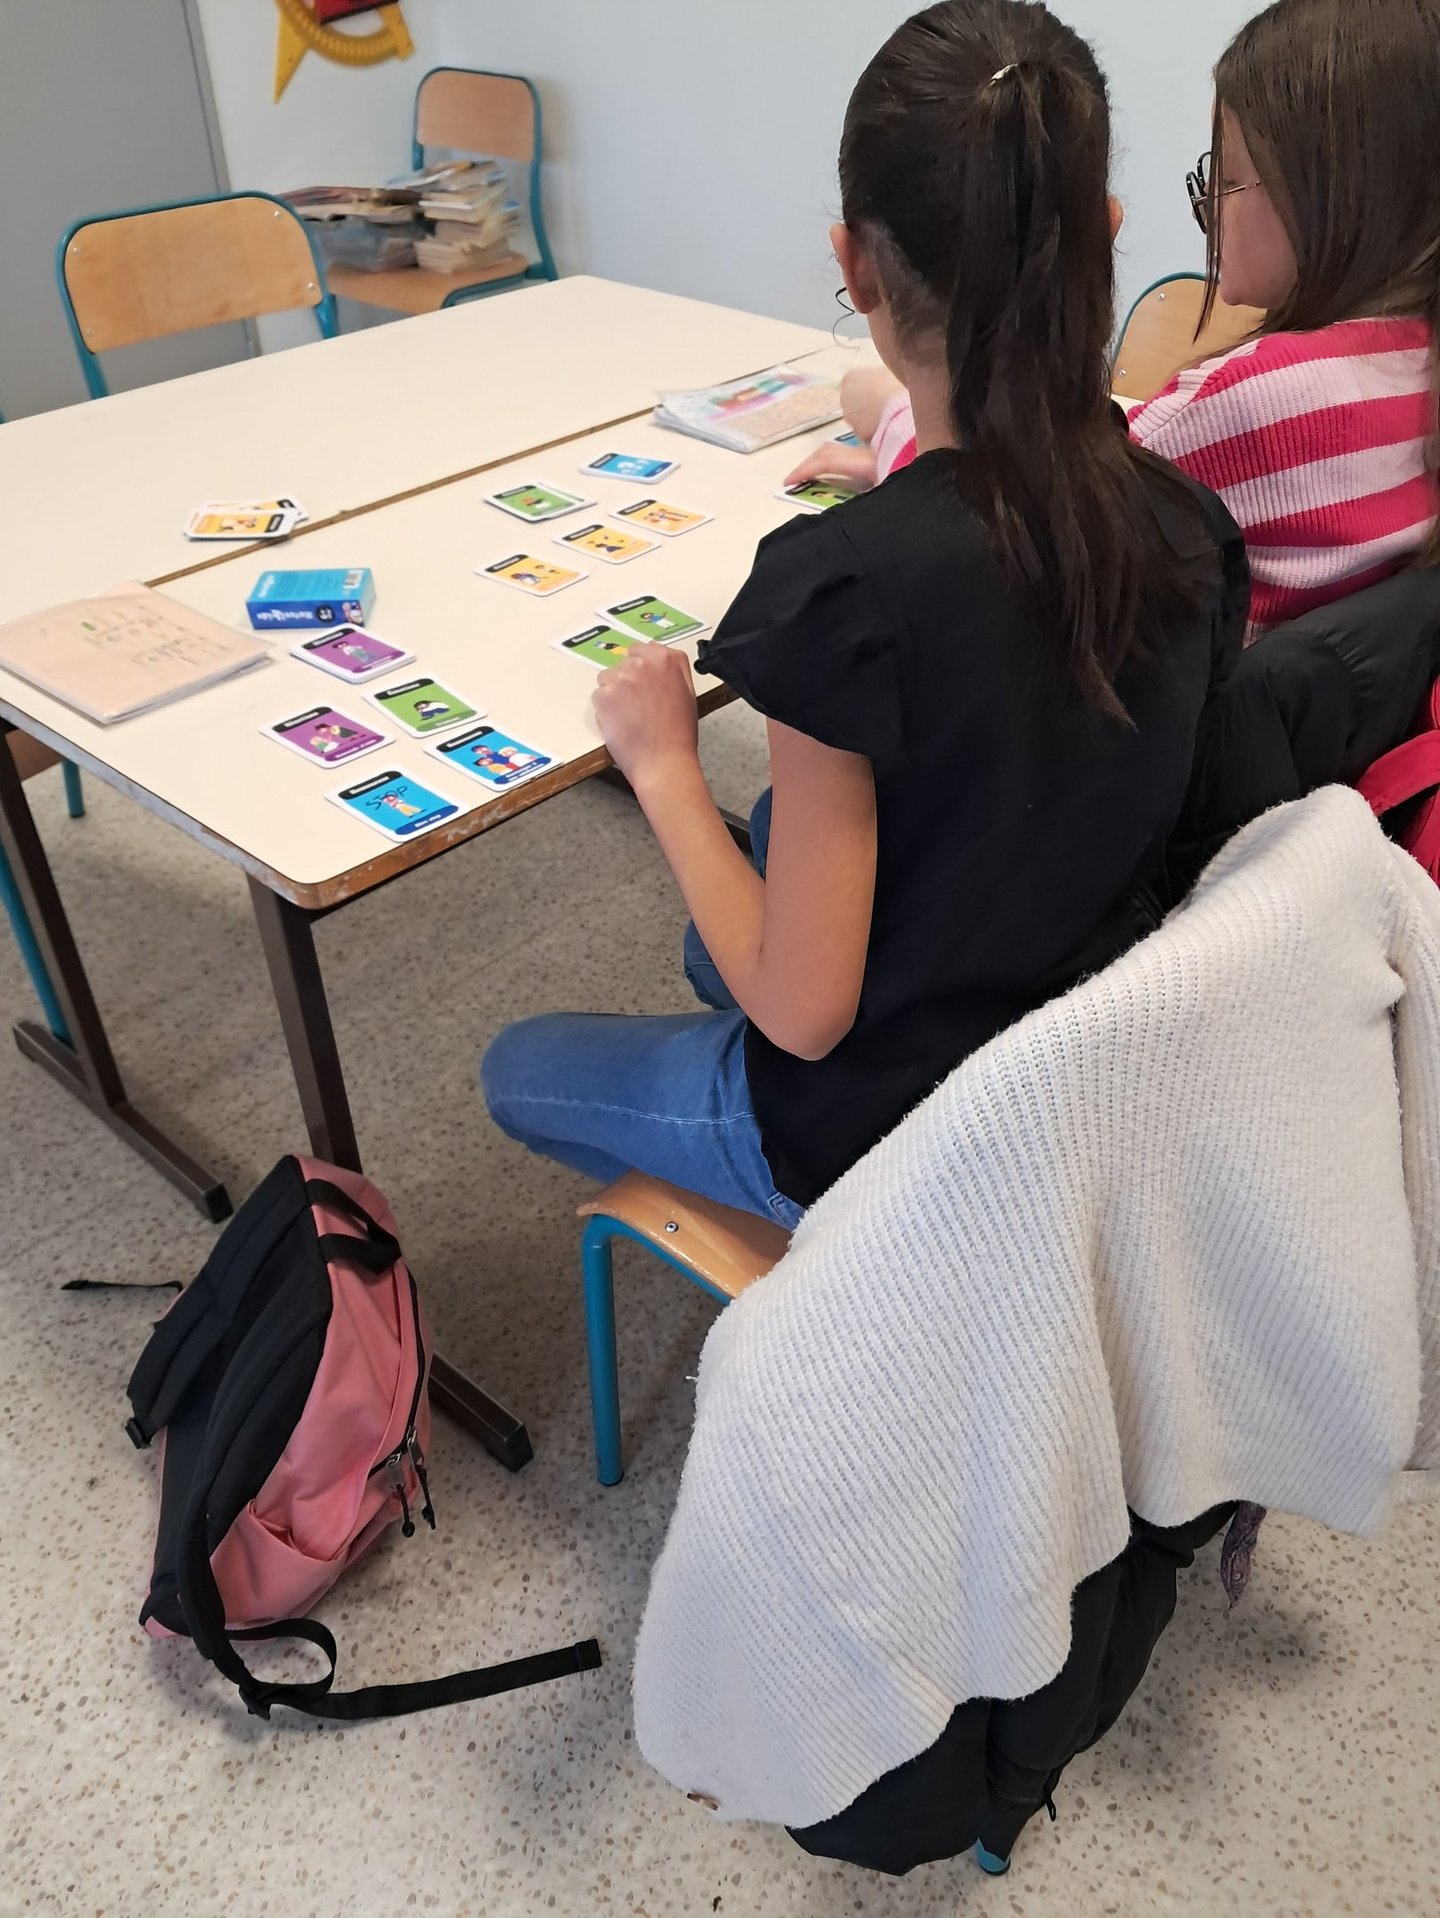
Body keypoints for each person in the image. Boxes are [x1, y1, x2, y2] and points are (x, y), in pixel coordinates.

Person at [482, 0, 1246, 1225]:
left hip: (886, 1138)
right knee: (733, 912)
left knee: (513, 1067)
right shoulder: (1193, 524)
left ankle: (819, 1243)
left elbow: (805, 1013)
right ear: (1105, 235)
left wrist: (665, 767)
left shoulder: (836, 593)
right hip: (1075, 1064)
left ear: (856, 266)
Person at [803, 0, 1440, 637]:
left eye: (1227, 174)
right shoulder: (1412, 365)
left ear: (1332, 195)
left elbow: (1001, 532)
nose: (1208, 200)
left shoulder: (1262, 402)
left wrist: (893, 420)